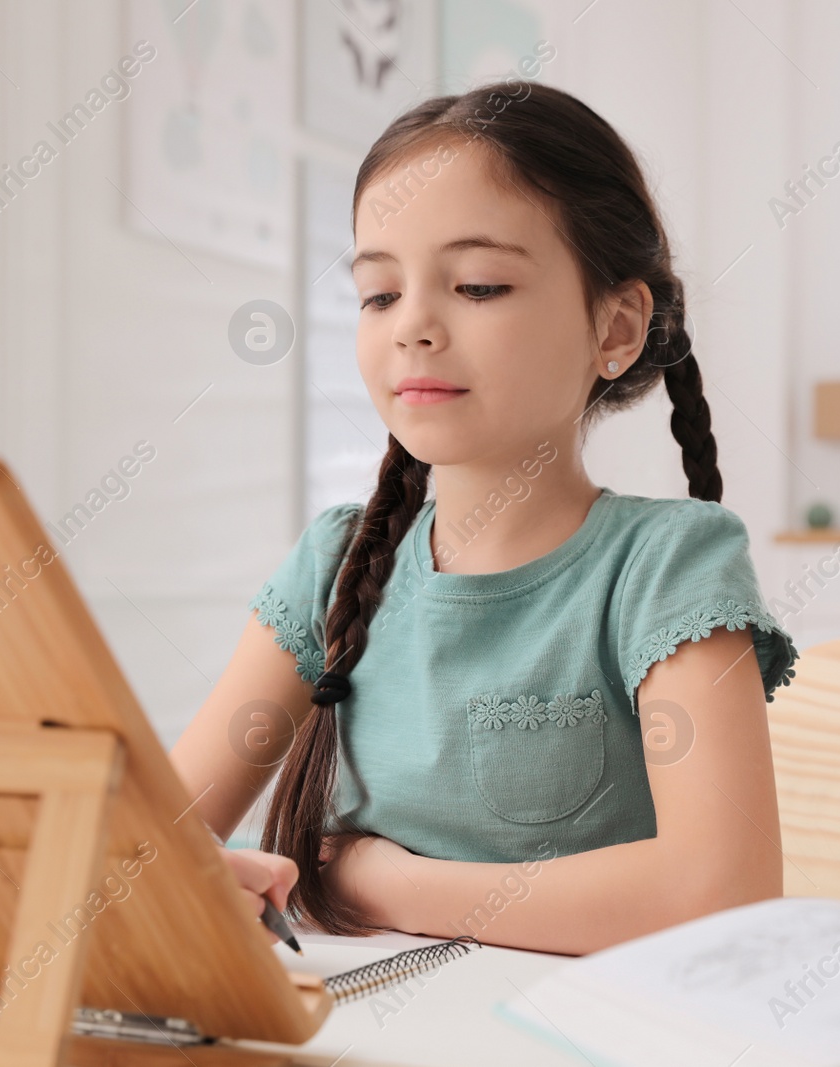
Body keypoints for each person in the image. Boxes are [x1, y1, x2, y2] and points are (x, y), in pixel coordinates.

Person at [170, 81, 797, 956]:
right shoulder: (333, 567)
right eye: (379, 293)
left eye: (477, 284)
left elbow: (722, 891)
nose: (413, 326)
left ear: (614, 327)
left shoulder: (667, 567)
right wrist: (198, 879)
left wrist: (376, 882)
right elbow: (145, 840)